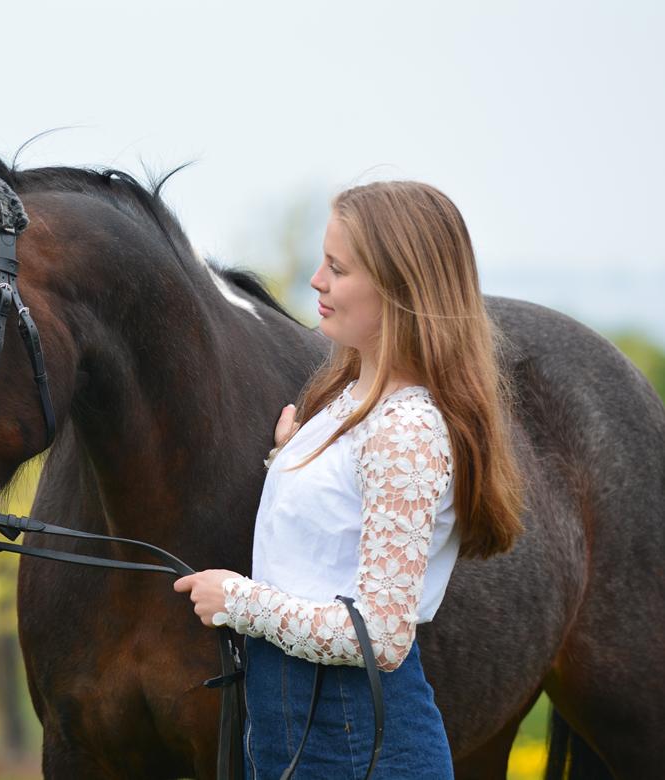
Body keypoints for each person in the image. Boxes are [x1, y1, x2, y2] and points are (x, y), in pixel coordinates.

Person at [174, 180, 525, 779]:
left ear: (398, 287)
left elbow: (379, 638)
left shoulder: (408, 430)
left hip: (359, 746)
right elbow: (329, 537)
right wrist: (293, 458)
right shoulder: (348, 401)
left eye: (337, 268)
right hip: (293, 730)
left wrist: (239, 602)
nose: (317, 281)